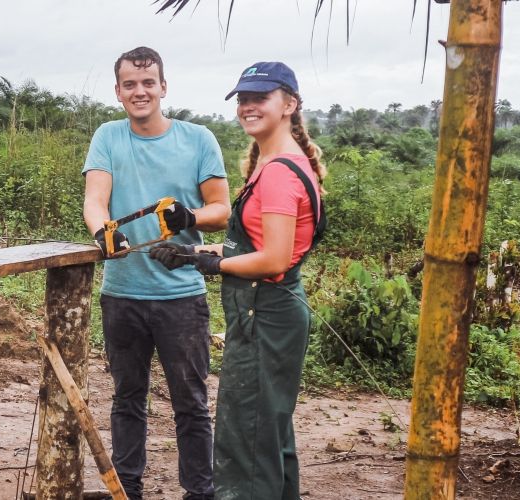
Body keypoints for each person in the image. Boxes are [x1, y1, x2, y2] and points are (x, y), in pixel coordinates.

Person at [150, 61, 327, 500]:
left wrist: (214, 266)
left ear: (290, 104)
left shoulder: (282, 172)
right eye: (243, 99)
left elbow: (273, 259)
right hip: (270, 311)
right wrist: (195, 253)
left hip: (265, 313)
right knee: (268, 437)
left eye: (259, 98)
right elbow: (254, 246)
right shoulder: (273, 161)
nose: (248, 107)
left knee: (246, 441)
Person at [82, 46, 231, 500]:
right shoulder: (108, 136)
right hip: (122, 293)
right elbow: (96, 198)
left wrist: (189, 218)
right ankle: (126, 489)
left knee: (191, 403)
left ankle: (199, 492)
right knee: (128, 398)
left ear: (164, 87)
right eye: (130, 84)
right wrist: (103, 232)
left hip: (181, 297)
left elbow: (222, 209)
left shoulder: (199, 138)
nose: (139, 91)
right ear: (118, 91)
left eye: (148, 83)